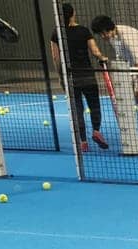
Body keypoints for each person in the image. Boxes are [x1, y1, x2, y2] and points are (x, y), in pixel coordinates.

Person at [90, 15, 138, 147]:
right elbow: (126, 59)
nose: (102, 37)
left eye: (102, 33)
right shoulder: (113, 38)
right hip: (134, 68)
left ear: (106, 30)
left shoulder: (126, 37)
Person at [51, 4, 111, 151]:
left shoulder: (56, 33)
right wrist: (102, 57)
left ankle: (83, 141)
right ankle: (96, 131)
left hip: (71, 78)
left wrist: (61, 76)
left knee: (77, 110)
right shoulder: (84, 31)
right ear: (73, 14)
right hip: (88, 76)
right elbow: (95, 51)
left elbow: (56, 58)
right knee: (94, 106)